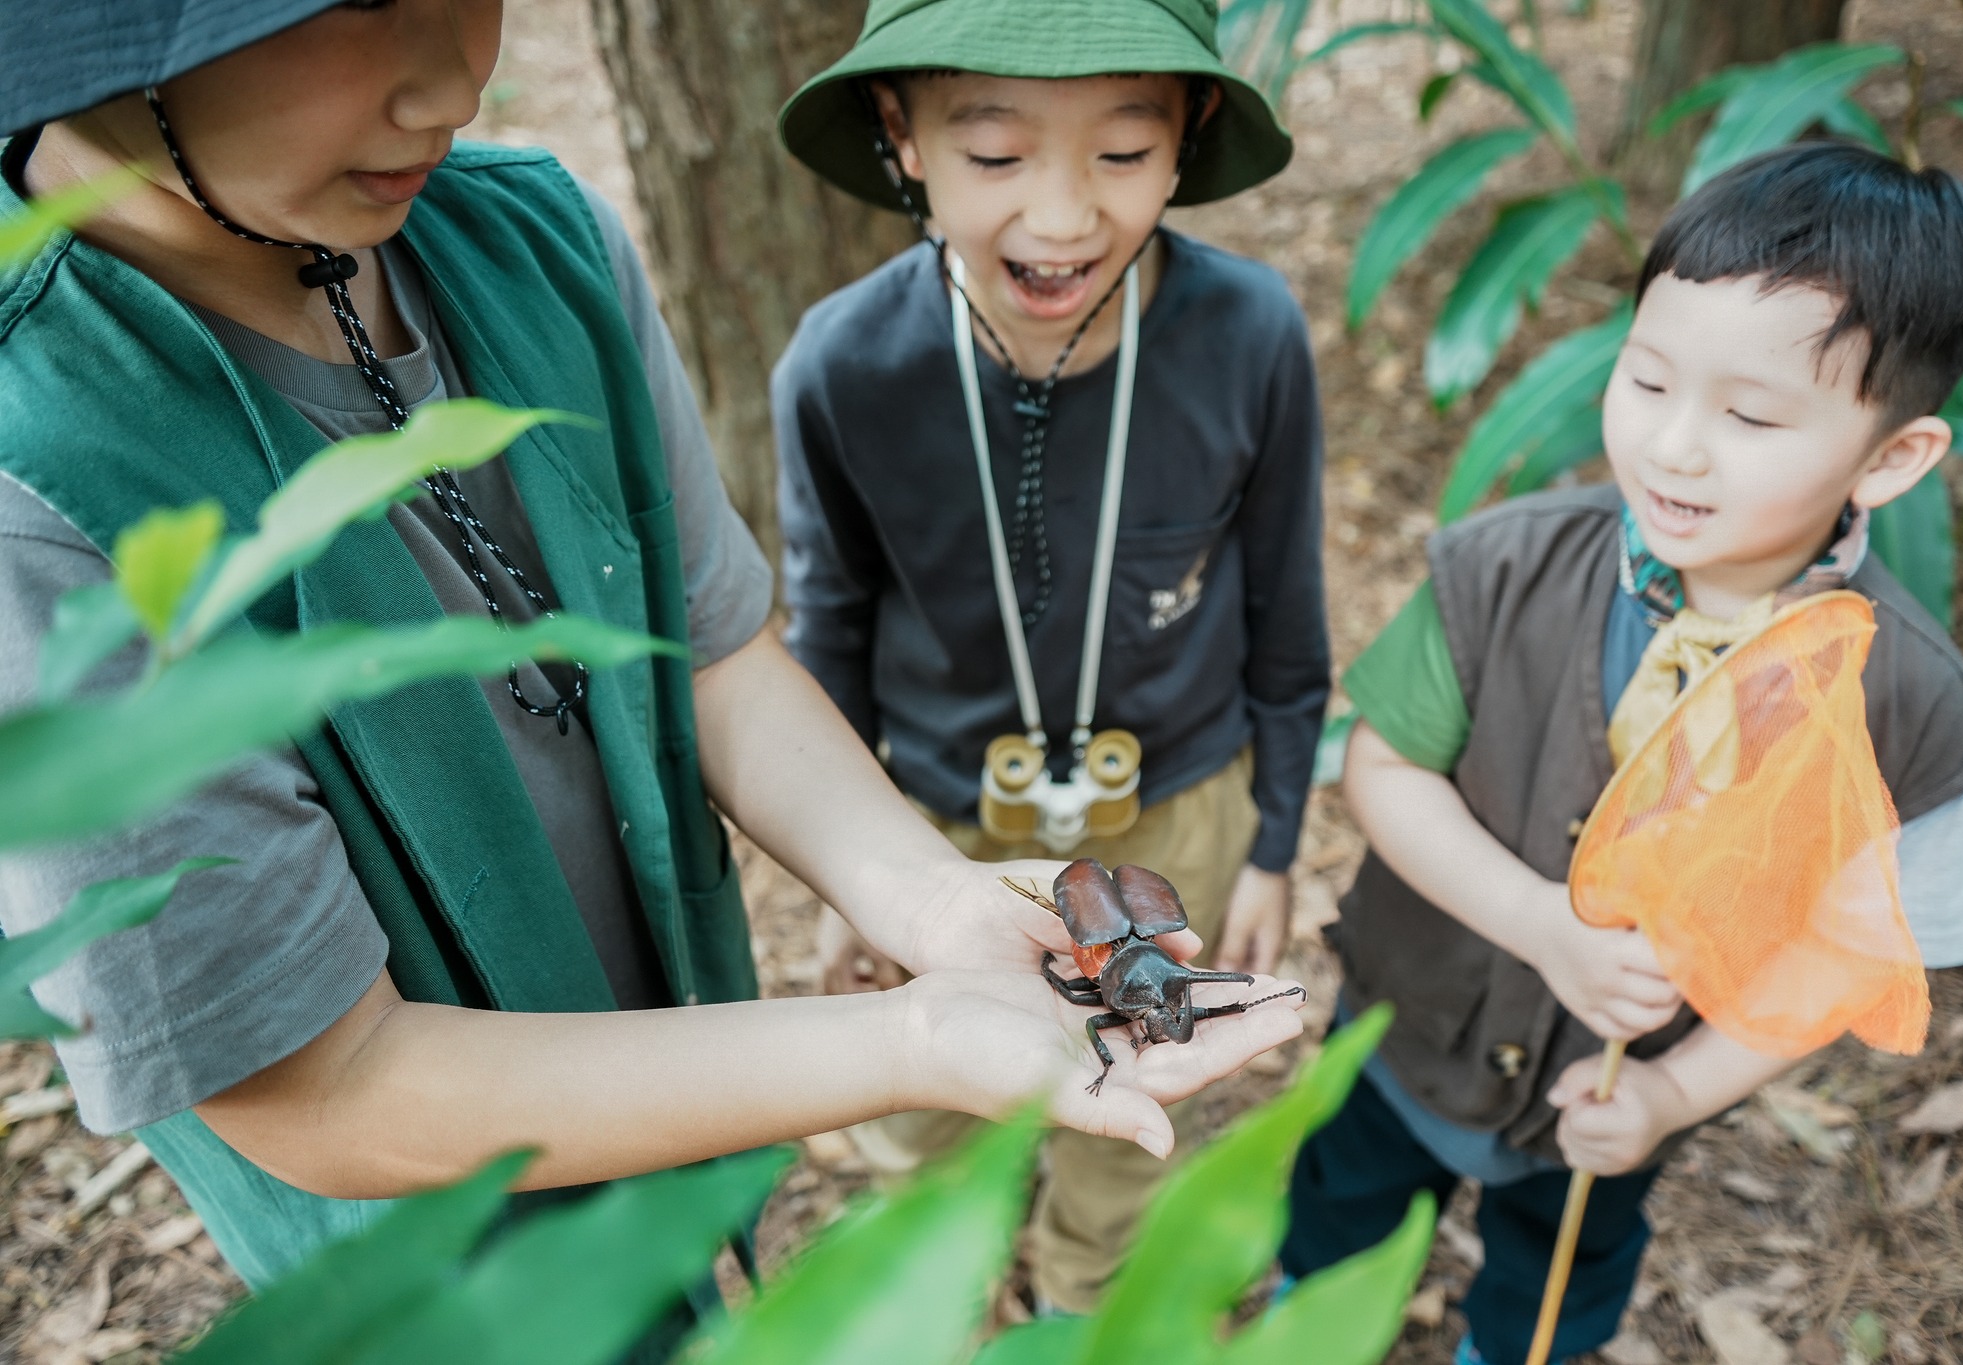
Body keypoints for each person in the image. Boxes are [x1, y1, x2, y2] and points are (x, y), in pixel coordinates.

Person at [0, 0, 1306, 1333]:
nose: (453, 83)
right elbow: (327, 1084)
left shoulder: (533, 242)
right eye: (371, 6)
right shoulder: (39, 482)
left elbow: (715, 650)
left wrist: (928, 900)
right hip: (452, 1289)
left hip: (673, 1094)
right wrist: (910, 1041)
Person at [1282, 143, 1963, 1365]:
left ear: (1890, 457)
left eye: (1745, 416)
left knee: (1551, 1284)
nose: (1673, 448)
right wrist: (1539, 924)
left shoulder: (1911, 702)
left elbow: (1848, 958)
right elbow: (1383, 769)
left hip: (1611, 1102)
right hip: (1405, 1027)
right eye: (1644, 381)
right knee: (1338, 1222)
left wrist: (1674, 1094)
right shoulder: (1504, 566)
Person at [772, 0, 1329, 1313]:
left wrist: (1274, 836)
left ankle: (1090, 1297)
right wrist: (850, 875)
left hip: (1178, 811)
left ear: (1190, 133)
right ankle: (940, 1290)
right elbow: (830, 630)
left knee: (1142, 1078)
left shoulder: (1248, 336)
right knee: (924, 1109)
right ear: (901, 133)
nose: (1066, 217)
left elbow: (1287, 613)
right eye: (999, 155)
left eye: (1121, 155)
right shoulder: (845, 367)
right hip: (938, 828)